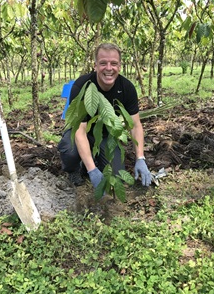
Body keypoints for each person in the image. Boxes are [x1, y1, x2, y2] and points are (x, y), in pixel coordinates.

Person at [58, 42, 152, 189]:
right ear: (95, 66)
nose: (109, 68)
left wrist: (140, 157)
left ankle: (94, 157)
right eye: (103, 63)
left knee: (116, 176)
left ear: (120, 66)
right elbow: (79, 131)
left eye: (113, 63)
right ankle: (76, 169)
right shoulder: (82, 85)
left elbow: (135, 125)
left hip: (106, 135)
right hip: (80, 131)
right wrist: (92, 170)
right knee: (69, 150)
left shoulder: (127, 88)